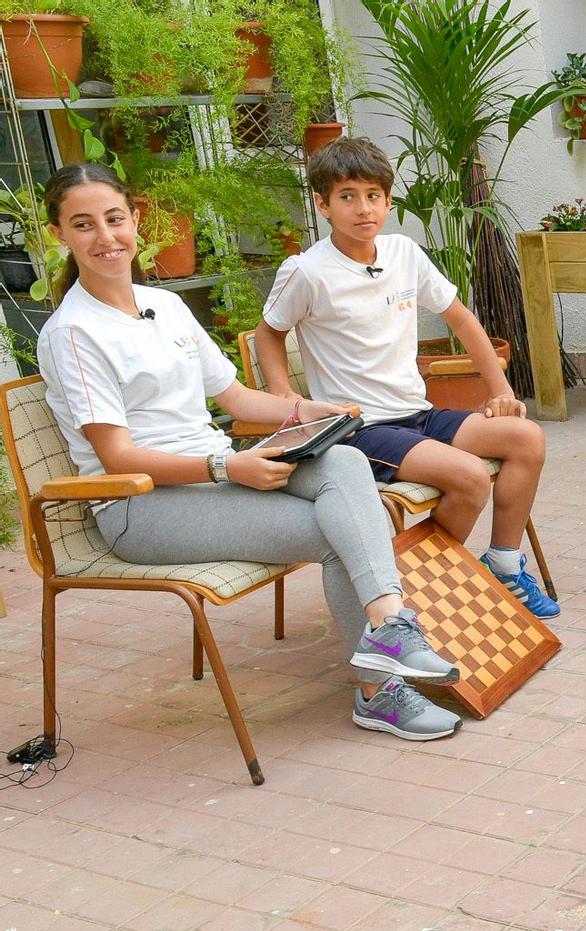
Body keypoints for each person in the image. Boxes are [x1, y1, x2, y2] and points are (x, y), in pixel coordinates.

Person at [35, 163, 465, 742]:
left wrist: (306, 412)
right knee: (340, 533)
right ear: (59, 235)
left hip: (212, 475)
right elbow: (117, 457)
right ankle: (378, 692)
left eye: (114, 219)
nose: (106, 237)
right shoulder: (73, 333)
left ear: (136, 219)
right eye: (83, 225)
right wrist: (224, 464)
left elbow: (233, 395)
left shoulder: (163, 305)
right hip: (139, 506)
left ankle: (390, 627)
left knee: (344, 459)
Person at [253, 138, 558, 618]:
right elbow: (267, 335)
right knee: (470, 477)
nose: (362, 208)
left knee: (526, 438)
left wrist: (501, 390)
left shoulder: (403, 253)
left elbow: (462, 319)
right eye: (347, 196)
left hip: (419, 414)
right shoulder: (307, 271)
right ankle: (425, 589)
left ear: (389, 201)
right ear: (322, 203)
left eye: (373, 195)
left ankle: (502, 567)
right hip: (360, 429)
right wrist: (286, 400)